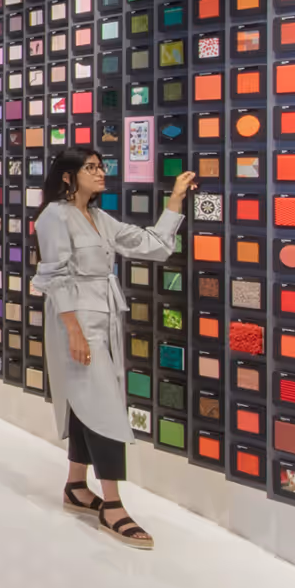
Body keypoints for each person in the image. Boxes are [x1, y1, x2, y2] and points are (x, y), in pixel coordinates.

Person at [28, 146, 194, 549]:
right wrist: (74, 331)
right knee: (103, 405)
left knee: (91, 401)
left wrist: (174, 201)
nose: (101, 173)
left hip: (103, 317)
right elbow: (53, 275)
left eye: (102, 167)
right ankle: (113, 505)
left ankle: (75, 486)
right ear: (68, 176)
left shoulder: (99, 218)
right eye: (91, 168)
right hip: (75, 321)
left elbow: (153, 245)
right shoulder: (53, 216)